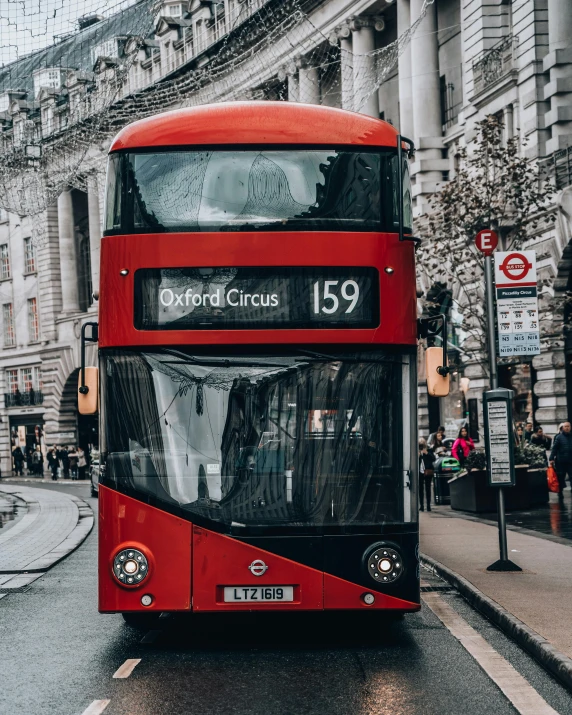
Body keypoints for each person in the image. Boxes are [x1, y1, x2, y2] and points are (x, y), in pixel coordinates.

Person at [550, 421, 572, 502]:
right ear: (562, 428)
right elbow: (554, 448)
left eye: (568, 426)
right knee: (560, 477)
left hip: (570, 461)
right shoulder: (559, 437)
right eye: (565, 426)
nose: (567, 428)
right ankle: (560, 492)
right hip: (561, 461)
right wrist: (551, 458)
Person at [419, 438, 435, 512]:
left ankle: (428, 505)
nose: (421, 443)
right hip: (420, 471)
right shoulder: (417, 450)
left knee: (428, 488)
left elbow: (433, 458)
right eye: (420, 442)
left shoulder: (429, 449)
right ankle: (421, 505)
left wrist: (427, 453)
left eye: (422, 442)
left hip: (428, 471)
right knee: (420, 489)